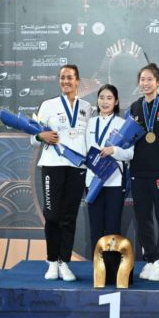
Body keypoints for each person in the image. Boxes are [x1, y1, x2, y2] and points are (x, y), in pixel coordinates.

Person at [31, 64, 93, 281]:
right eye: (62, 77)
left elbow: (89, 138)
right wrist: (41, 136)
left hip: (77, 168)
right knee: (52, 216)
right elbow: (33, 137)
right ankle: (51, 261)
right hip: (52, 166)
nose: (66, 81)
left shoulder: (87, 107)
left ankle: (64, 262)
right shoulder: (48, 105)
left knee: (69, 217)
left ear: (77, 81)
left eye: (70, 77)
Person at [128, 63, 159, 281]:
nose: (145, 83)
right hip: (138, 171)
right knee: (142, 217)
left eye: (150, 79)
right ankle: (149, 258)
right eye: (142, 79)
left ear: (158, 82)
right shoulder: (134, 107)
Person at [85, 84, 134, 252]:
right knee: (95, 226)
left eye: (109, 98)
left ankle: (112, 265)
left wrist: (114, 150)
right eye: (101, 98)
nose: (105, 102)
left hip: (114, 182)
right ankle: (98, 265)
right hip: (93, 181)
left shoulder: (123, 124)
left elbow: (131, 153)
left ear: (116, 101)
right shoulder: (89, 123)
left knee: (113, 226)